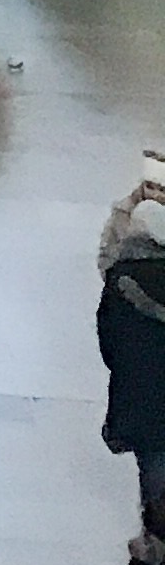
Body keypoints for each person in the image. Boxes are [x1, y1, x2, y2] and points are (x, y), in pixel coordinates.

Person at [99, 188, 165, 530]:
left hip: (141, 396)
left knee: (154, 460)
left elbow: (108, 340)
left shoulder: (122, 279)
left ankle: (155, 530)